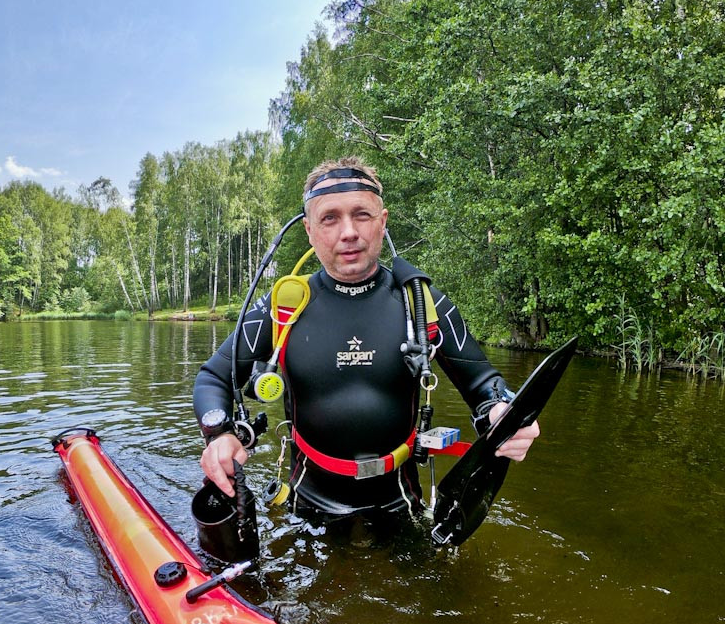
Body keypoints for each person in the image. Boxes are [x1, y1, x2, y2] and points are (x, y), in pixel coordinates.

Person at [193, 157, 539, 523]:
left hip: (399, 500)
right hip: (306, 502)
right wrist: (218, 434)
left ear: (382, 221)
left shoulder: (422, 304)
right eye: (330, 218)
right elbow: (213, 378)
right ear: (309, 231)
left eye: (362, 215)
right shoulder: (283, 306)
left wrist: (505, 411)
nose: (349, 232)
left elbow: (484, 384)